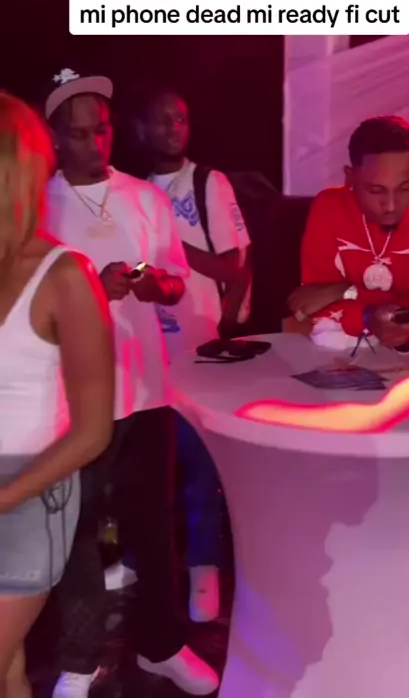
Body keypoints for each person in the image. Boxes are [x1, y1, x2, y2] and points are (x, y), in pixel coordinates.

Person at [44, 70, 219, 697]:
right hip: (72, 398)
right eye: (79, 134)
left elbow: (174, 279)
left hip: (145, 388)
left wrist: (156, 285)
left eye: (103, 129)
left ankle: (160, 645)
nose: (95, 143)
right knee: (77, 532)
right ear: (54, 139)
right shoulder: (38, 207)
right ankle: (79, 659)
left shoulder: (144, 198)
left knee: (151, 524)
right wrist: (95, 289)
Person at [0, 92, 114, 698]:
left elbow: (93, 431)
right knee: (7, 669)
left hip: (30, 491)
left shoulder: (66, 276)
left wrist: (3, 497)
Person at [136, 87, 251, 622]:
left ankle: (205, 569)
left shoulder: (207, 182)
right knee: (153, 464)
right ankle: (147, 563)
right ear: (141, 129)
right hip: (149, 349)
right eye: (161, 120)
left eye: (180, 118)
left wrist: (169, 245)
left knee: (201, 462)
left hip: (200, 344)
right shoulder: (134, 191)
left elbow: (231, 266)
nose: (172, 128)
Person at [288, 115, 409, 350]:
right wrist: (369, 315)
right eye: (376, 190)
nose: (391, 205)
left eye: (405, 187)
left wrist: (346, 293)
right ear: (350, 177)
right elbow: (313, 310)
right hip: (346, 360)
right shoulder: (329, 207)